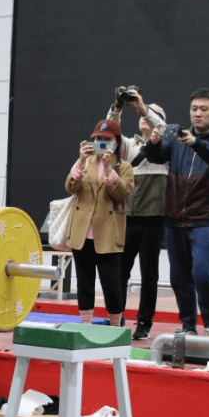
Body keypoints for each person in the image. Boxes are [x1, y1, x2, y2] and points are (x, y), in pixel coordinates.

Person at [143, 88, 209, 336]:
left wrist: (196, 143)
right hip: (174, 220)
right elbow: (155, 156)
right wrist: (153, 142)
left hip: (205, 219)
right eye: (194, 109)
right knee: (179, 278)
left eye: (204, 109)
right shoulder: (176, 138)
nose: (197, 113)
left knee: (203, 273)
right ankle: (188, 325)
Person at [106, 87, 168, 340]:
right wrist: (117, 107)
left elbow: (164, 126)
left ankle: (144, 322)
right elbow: (107, 135)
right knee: (120, 271)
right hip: (126, 217)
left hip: (153, 220)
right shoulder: (129, 146)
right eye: (143, 114)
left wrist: (144, 107)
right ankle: (116, 318)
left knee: (149, 274)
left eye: (152, 115)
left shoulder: (165, 150)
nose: (146, 117)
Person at [63, 118, 134, 326]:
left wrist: (109, 169)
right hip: (82, 232)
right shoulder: (85, 162)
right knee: (84, 282)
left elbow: (122, 194)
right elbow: (70, 187)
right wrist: (81, 162)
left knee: (112, 284)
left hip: (108, 233)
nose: (101, 143)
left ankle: (115, 327)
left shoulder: (124, 167)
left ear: (117, 142)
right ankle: (86, 324)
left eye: (107, 139)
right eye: (98, 139)